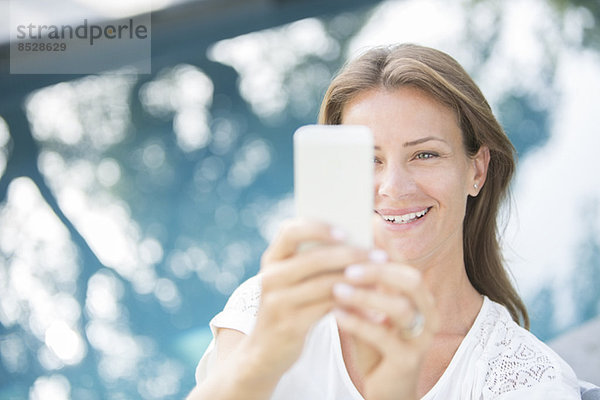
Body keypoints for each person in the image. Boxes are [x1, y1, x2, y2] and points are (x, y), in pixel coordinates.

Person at [186, 43, 580, 399]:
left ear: (476, 170)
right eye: (367, 158)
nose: (393, 188)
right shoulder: (264, 311)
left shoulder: (527, 382)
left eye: (425, 154)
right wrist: (261, 362)